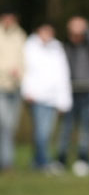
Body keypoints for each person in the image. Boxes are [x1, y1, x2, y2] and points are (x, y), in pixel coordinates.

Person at [21, 24, 72, 172]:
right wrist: (27, 91)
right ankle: (43, 162)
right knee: (41, 132)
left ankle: (37, 161)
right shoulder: (29, 47)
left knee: (47, 132)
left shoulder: (57, 48)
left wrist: (63, 99)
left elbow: (62, 73)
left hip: (53, 97)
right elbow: (26, 70)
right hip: (36, 96)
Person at [56, 16, 89, 176]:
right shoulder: (64, 47)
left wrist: (86, 28)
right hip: (68, 92)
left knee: (85, 128)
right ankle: (61, 159)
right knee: (65, 128)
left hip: (87, 90)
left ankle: (83, 159)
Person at [0, 12, 27, 172]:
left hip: (16, 87)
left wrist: (21, 74)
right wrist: (8, 70)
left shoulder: (20, 35)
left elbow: (24, 60)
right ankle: (6, 162)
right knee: (3, 124)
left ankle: (7, 162)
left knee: (11, 126)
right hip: (1, 86)